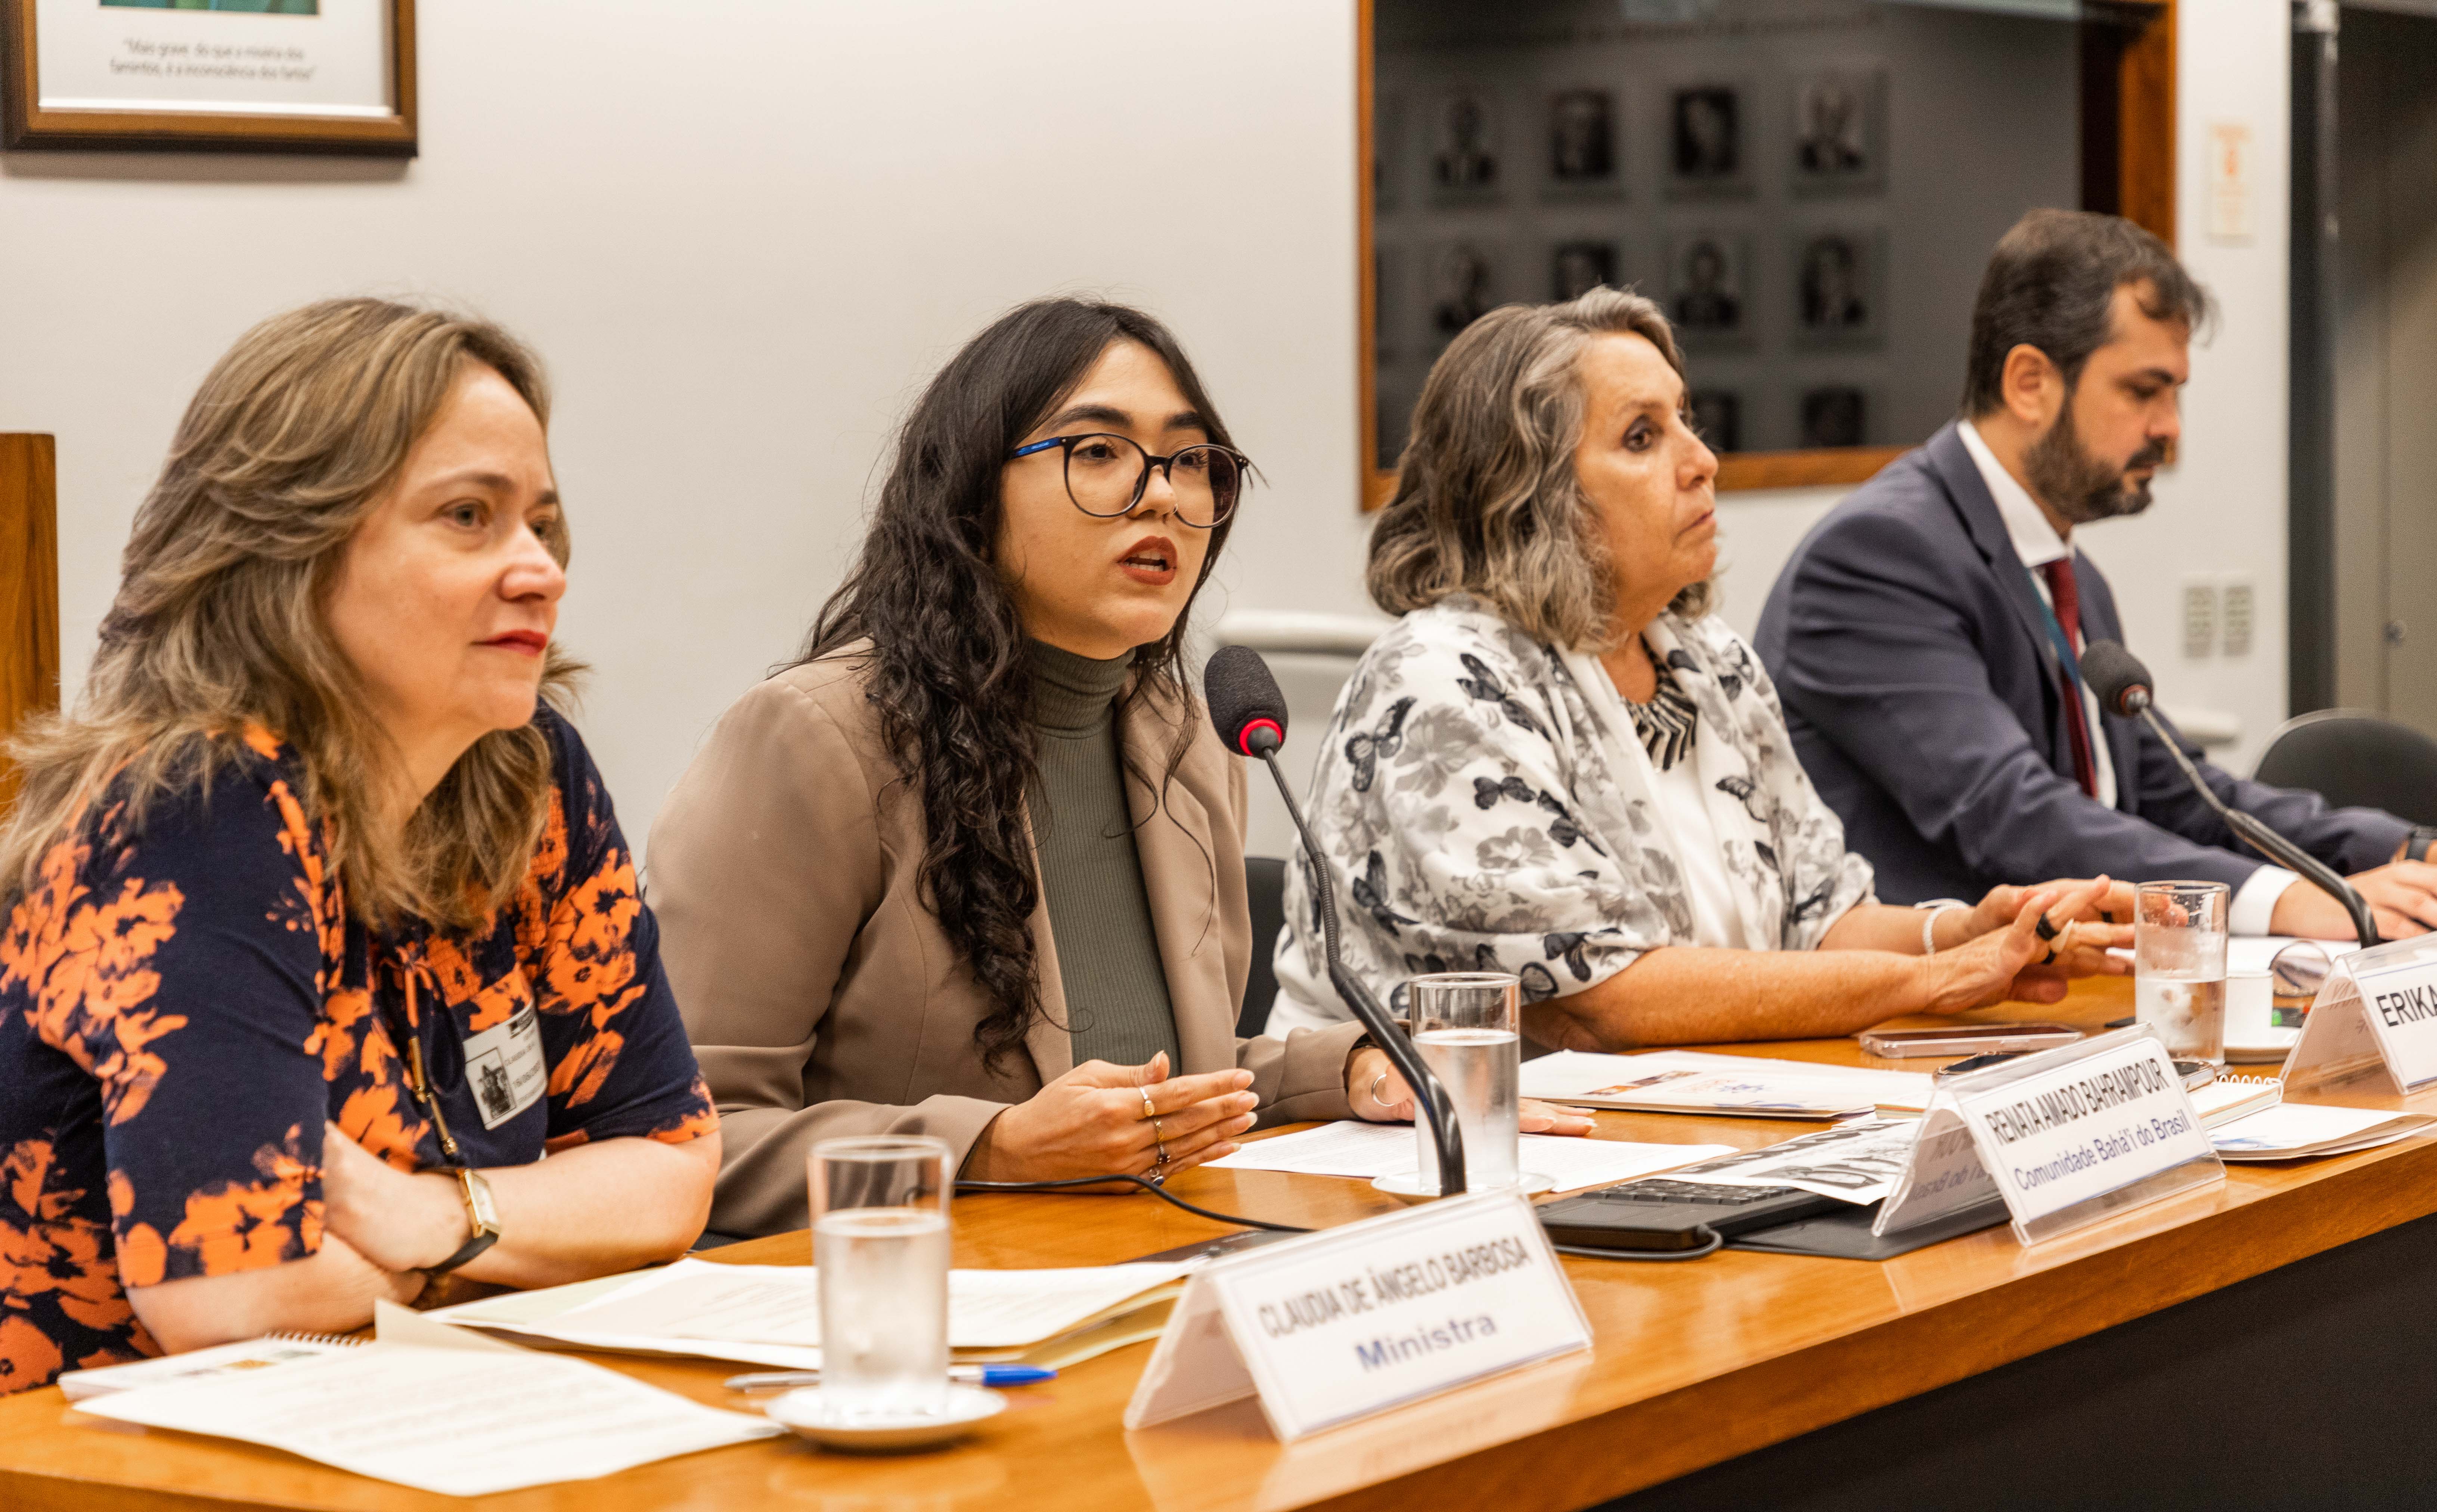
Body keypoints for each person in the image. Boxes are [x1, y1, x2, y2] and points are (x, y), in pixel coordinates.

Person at [646, 299, 1590, 1241]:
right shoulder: (816, 740)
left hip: (1153, 1262)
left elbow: (1156, 1079)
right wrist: (991, 1149)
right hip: (920, 1298)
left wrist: (1348, 1070)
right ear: (971, 493)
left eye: (1191, 461)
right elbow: (682, 1139)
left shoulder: (1184, 737)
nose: (1163, 497)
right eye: (1098, 451)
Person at [0, 300, 719, 1395]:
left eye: (541, 523)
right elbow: (233, 1299)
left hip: (383, 1407)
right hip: (82, 1462)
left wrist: (430, 1217)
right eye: (469, 517)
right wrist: (517, 1241)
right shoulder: (199, 805)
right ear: (293, 547)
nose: (541, 570)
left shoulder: (527, 769)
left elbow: (669, 1174)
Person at [1269, 289, 2129, 1052]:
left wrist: (1969, 931)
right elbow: (1604, 1002)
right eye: (1643, 437)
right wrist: (1931, 980)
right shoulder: (1441, 683)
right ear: (1527, 495)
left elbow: (1820, 920)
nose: (1702, 459)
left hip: (1679, 1120)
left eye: (1687, 419)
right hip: (1414, 1143)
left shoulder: (1709, 661)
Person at [1755, 210, 2437, 938]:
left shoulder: (2065, 570)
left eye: (2175, 392)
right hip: (1933, 1005)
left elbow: (2175, 790)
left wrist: (2406, 852)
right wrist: (2287, 900)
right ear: (2029, 382)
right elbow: (2011, 815)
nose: (2170, 427)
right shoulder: (1878, 556)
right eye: (2144, 391)